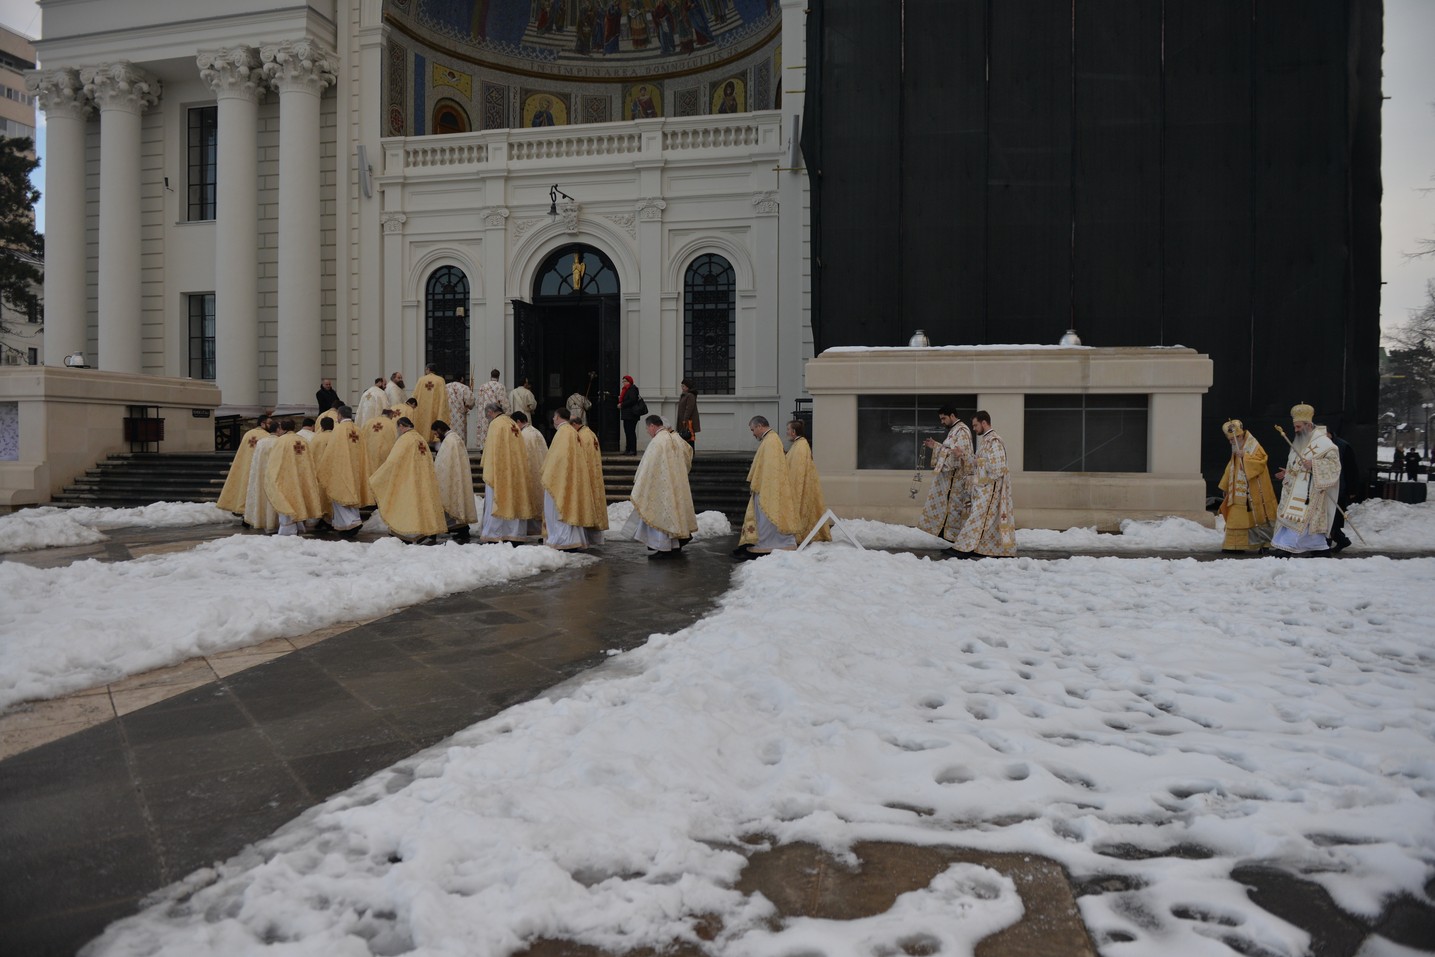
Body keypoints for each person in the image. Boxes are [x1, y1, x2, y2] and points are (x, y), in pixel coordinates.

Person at [623, 414, 698, 557]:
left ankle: (663, 547)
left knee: (662, 516)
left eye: (647, 428)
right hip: (674, 483)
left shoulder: (658, 441)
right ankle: (674, 545)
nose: (647, 432)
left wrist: (641, 482)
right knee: (671, 516)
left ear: (652, 426)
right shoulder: (672, 437)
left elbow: (648, 465)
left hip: (660, 486)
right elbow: (687, 454)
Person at [1272, 402, 1341, 555]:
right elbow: (1296, 466)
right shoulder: (1300, 441)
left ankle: (1288, 549)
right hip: (1295, 491)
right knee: (1295, 521)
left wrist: (1314, 464)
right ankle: (1293, 549)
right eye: (1295, 427)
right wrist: (1288, 472)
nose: (1295, 430)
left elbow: (1335, 466)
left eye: (1298, 427)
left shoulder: (1325, 444)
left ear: (1308, 425)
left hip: (1312, 494)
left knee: (1306, 524)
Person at [369, 417, 448, 543]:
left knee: (407, 506)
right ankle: (428, 531)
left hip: (408, 480)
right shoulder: (420, 438)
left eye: (398, 428)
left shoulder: (405, 440)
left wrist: (379, 476)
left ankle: (409, 533)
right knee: (424, 506)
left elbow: (393, 461)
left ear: (401, 426)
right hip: (425, 480)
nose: (398, 431)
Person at [950, 411, 1016, 558]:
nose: (973, 428)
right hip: (984, 489)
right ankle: (980, 548)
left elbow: (998, 467)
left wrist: (978, 464)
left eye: (975, 425)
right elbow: (977, 461)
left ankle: (962, 549)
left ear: (984, 423)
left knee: (977, 517)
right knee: (982, 520)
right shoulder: (986, 441)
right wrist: (963, 455)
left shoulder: (995, 441)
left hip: (991, 490)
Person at [541, 406, 608, 550]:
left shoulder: (563, 432)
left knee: (560, 511)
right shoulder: (572, 432)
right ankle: (571, 540)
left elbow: (559, 458)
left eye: (554, 417)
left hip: (561, 479)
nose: (553, 419)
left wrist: (547, 474)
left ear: (558, 417)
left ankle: (564, 541)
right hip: (572, 476)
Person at [735, 415, 796, 559]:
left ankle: (767, 544)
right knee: (761, 519)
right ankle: (760, 542)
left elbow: (770, 468)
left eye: (753, 430)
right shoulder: (769, 439)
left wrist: (761, 484)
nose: (753, 433)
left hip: (768, 488)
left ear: (759, 426)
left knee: (766, 520)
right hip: (764, 486)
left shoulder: (771, 441)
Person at [1215, 418, 1278, 553]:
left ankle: (1264, 543)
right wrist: (1226, 486)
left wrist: (1246, 457)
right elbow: (1231, 466)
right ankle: (1235, 545)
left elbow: (1262, 461)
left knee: (1257, 517)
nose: (1231, 442)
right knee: (1236, 517)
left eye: (1232, 439)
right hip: (1237, 491)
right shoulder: (1236, 448)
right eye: (1230, 439)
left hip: (1253, 490)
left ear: (1239, 436)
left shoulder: (1254, 445)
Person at [477, 403, 537, 543]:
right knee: (514, 500)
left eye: (487, 416)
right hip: (516, 470)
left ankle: (495, 534)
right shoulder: (512, 423)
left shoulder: (496, 424)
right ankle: (514, 533)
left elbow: (492, 449)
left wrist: (488, 465)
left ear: (491, 412)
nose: (488, 419)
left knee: (497, 501)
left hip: (500, 471)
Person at [918, 406, 973, 545]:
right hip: (950, 480)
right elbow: (949, 450)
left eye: (944, 418)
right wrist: (935, 446)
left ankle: (956, 542)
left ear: (952, 415)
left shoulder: (962, 431)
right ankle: (951, 540)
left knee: (955, 512)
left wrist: (942, 450)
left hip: (957, 480)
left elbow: (960, 455)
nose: (942, 422)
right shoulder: (954, 430)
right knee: (949, 511)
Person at [265, 419, 325, 537]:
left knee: (285, 501)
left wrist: (271, 476)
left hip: (286, 478)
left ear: (282, 428)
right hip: (301, 477)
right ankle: (298, 525)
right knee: (298, 500)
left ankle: (288, 530)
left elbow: (274, 462)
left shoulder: (281, 441)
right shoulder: (303, 441)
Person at [316, 409, 370, 535]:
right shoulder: (358, 429)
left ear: (340, 415)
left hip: (341, 469)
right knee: (352, 496)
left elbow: (331, 451)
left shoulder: (339, 430)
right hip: (355, 469)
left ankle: (351, 522)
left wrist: (324, 466)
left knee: (340, 497)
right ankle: (345, 525)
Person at [216, 414, 275, 516]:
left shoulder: (248, 434)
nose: (271, 425)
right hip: (259, 468)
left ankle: (241, 510)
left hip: (245, 467)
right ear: (262, 424)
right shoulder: (267, 437)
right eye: (270, 423)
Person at [432, 420, 478, 542]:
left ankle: (461, 530)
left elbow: (446, 462)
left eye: (436, 432)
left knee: (452, 504)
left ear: (440, 429)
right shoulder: (452, 439)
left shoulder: (451, 441)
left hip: (451, 477)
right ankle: (460, 530)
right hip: (453, 476)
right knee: (454, 505)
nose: (435, 435)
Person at [786, 419, 830, 543]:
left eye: (788, 430)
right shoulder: (798, 444)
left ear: (794, 432)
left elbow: (798, 471)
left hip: (800, 487)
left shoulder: (801, 446)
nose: (787, 432)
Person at [243, 417, 286, 533]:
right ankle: (275, 523)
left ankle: (263, 521)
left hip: (261, 476)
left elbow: (256, 462)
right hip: (275, 477)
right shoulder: (280, 442)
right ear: (277, 430)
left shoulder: (261, 443)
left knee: (263, 498)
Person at [513, 410, 549, 537]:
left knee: (531, 499)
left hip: (531, 473)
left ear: (518, 422)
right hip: (541, 470)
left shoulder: (525, 435)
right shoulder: (535, 431)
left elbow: (525, 457)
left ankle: (532, 529)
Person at [1326, 425, 1359, 553]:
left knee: (1333, 518)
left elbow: (1351, 469)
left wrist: (1352, 490)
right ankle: (1340, 540)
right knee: (1329, 517)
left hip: (1339, 488)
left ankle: (1330, 542)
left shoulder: (1343, 446)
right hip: (1327, 487)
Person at [412, 363, 451, 445]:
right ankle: (436, 444)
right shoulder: (440, 380)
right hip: (435, 410)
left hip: (422, 410)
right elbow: (443, 398)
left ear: (428, 370)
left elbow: (414, 396)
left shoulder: (421, 380)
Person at [474, 369, 510, 452]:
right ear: (498, 377)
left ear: (491, 376)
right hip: (495, 414)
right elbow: (504, 402)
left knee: (485, 430)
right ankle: (492, 447)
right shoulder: (500, 386)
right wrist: (508, 413)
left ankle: (483, 447)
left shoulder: (483, 386)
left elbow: (478, 401)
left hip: (484, 414)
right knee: (494, 430)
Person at [363, 408, 399, 480]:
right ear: (391, 414)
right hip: (384, 453)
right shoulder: (392, 424)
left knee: (369, 469)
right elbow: (397, 440)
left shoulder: (369, 422)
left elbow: (362, 435)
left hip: (369, 450)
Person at [446, 373, 476, 448]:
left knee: (448, 434)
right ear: (462, 379)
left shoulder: (446, 387)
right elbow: (470, 402)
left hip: (447, 415)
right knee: (459, 435)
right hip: (460, 416)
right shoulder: (464, 388)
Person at [618, 374, 646, 454]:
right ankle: (628, 449)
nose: (623, 383)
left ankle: (633, 450)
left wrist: (622, 404)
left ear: (629, 382)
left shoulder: (632, 389)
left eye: (625, 381)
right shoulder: (626, 389)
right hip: (627, 414)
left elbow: (632, 400)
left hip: (632, 414)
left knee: (631, 432)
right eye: (623, 381)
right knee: (627, 432)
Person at [676, 378, 700, 448]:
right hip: (684, 422)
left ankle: (691, 455)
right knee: (685, 439)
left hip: (688, 423)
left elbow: (689, 409)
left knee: (689, 439)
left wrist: (684, 420)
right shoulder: (685, 395)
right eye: (682, 386)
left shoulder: (690, 396)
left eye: (683, 386)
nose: (682, 388)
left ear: (688, 387)